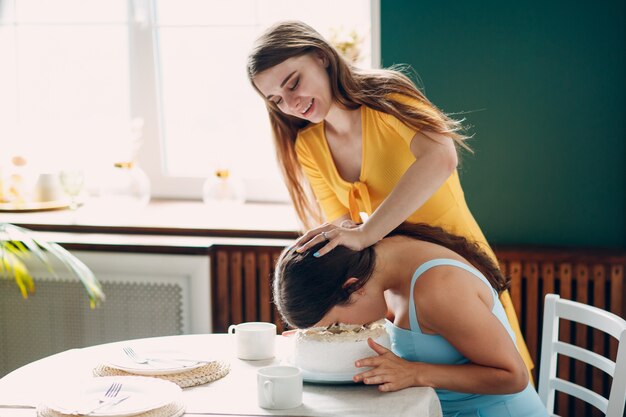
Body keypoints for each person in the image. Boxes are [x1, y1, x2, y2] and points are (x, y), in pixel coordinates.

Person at [247, 20, 533, 377]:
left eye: (293, 83)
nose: (290, 103)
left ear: (321, 57)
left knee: (494, 373)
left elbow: (441, 158)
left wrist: (367, 234)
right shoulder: (309, 145)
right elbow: (341, 228)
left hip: (452, 273)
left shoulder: (388, 97)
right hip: (399, 285)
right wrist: (317, 320)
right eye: (276, 99)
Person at [273, 222, 548, 417]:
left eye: (335, 326)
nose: (341, 330)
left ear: (352, 287)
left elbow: (514, 376)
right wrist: (317, 345)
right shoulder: (385, 256)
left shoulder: (439, 290)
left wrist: (415, 372)